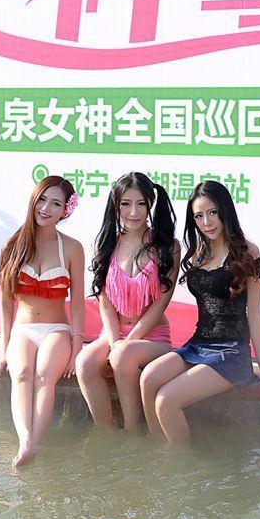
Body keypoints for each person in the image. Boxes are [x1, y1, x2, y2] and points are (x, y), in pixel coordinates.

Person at [140, 180, 260, 445]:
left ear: (225, 210)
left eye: (212, 212)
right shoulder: (198, 252)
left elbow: (254, 316)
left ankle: (181, 464)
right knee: (148, 379)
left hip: (231, 352)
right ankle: (159, 449)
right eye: (198, 216)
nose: (207, 222)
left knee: (166, 399)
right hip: (197, 346)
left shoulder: (248, 253)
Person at [0, 176, 85, 467]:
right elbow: (5, 302)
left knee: (44, 375)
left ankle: (33, 445)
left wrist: (77, 344)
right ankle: (26, 442)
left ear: (65, 210)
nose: (46, 208)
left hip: (57, 330)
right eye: (42, 200)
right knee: (21, 374)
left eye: (55, 203)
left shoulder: (72, 248)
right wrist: (2, 350)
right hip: (23, 330)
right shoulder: (12, 246)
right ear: (33, 200)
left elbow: (78, 302)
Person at [75, 172, 179, 432]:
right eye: (126, 204)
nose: (134, 212)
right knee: (85, 362)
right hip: (112, 333)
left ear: (150, 204)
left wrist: (125, 344)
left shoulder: (168, 246)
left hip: (151, 337)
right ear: (115, 205)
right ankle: (107, 432)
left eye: (141, 204)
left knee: (122, 356)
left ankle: (133, 431)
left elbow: (159, 307)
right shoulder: (105, 243)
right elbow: (105, 303)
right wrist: (113, 342)